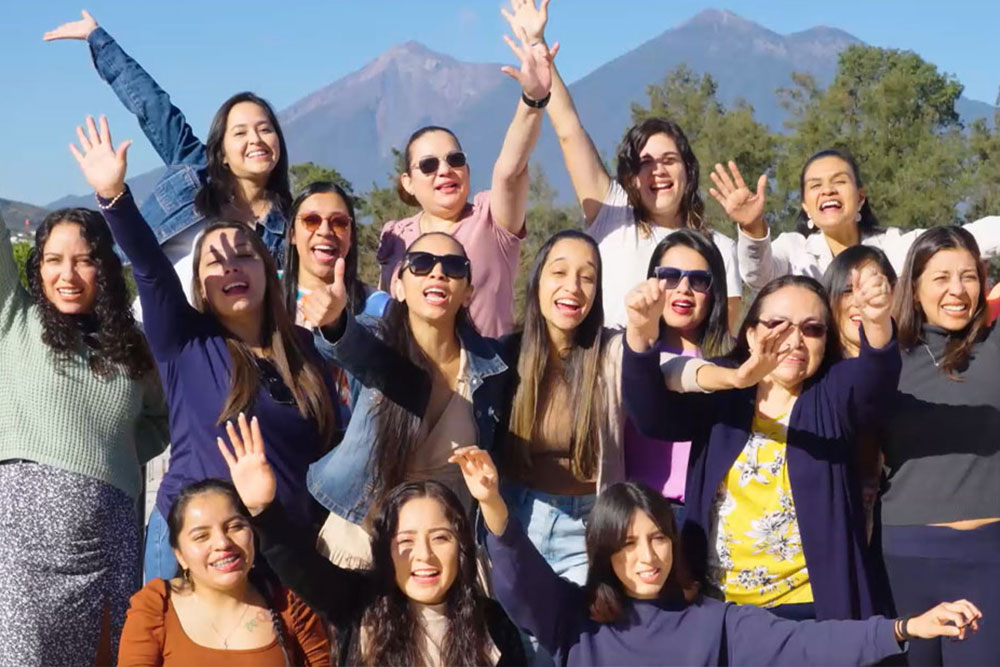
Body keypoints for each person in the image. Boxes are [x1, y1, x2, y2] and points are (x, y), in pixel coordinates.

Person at [70, 115, 337, 582]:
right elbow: (151, 269)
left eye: (243, 254)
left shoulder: (304, 352)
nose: (230, 266)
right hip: (190, 551)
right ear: (199, 286)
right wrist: (115, 198)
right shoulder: (185, 343)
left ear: (268, 270)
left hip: (285, 558)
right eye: (214, 261)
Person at [452, 445, 982, 666]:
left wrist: (904, 629)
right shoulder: (573, 617)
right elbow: (520, 583)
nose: (647, 557)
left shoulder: (712, 622)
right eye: (628, 543)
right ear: (604, 554)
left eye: (658, 538)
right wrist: (493, 503)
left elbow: (806, 643)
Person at [623, 268, 900, 621]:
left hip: (809, 612)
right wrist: (639, 332)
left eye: (811, 329)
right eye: (779, 325)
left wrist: (876, 324)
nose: (795, 340)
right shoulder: (724, 393)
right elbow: (651, 414)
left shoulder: (833, 391)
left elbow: (875, 384)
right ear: (752, 334)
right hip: (718, 609)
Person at [500, 0, 743, 330]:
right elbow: (569, 130)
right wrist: (535, 42)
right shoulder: (611, 211)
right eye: (645, 163)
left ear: (689, 170)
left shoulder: (720, 249)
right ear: (630, 176)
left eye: (669, 160)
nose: (657, 170)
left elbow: (724, 340)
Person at [0, 207, 169, 664]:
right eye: (53, 260)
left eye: (84, 259)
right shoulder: (15, 319)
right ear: (37, 268)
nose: (67, 274)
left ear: (106, 268)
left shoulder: (132, 345)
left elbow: (161, 419)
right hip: (20, 550)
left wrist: (111, 458)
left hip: (110, 543)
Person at [217, 416, 525, 666]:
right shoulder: (361, 603)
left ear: (461, 547)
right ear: (385, 550)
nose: (424, 556)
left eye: (440, 538)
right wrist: (264, 511)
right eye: (406, 541)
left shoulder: (493, 626)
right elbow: (300, 568)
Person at [45, 10, 292, 314]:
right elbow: (153, 106)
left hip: (222, 350)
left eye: (265, 129)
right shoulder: (194, 171)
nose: (255, 139)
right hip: (150, 332)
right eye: (240, 132)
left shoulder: (289, 227)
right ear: (222, 150)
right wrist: (98, 39)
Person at [307, 232, 512, 568]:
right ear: (398, 287)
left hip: (442, 560)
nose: (437, 273)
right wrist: (334, 322)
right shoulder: (378, 339)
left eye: (454, 267)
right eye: (421, 264)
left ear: (467, 294)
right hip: (363, 548)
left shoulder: (492, 369)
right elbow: (353, 347)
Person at [376, 2, 556, 338]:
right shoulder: (395, 235)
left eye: (454, 160)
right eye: (428, 165)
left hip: (487, 383)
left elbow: (510, 169)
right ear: (408, 182)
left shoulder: (491, 218)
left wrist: (532, 100)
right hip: (414, 384)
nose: (444, 170)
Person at [881, 226, 1000, 665]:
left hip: (989, 557)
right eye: (941, 277)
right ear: (913, 288)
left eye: (968, 277)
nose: (957, 290)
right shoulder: (885, 356)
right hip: (905, 558)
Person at [500, 229, 625, 588]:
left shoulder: (610, 354)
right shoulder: (503, 357)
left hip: (590, 526)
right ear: (537, 279)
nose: (573, 286)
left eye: (587, 277)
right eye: (559, 272)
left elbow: (664, 369)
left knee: (584, 640)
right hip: (518, 517)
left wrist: (729, 375)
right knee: (526, 643)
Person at [711, 149, 1000, 290]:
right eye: (815, 185)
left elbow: (970, 237)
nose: (828, 190)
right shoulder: (794, 250)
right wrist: (752, 226)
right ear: (806, 206)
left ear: (860, 196)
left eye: (839, 181)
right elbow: (757, 276)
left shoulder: (892, 247)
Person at [118, 474, 330, 666]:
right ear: (179, 555)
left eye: (235, 527)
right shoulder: (156, 605)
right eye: (201, 536)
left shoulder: (288, 604)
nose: (222, 543)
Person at [623, 229, 731, 511]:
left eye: (698, 280)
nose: (683, 288)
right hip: (634, 512)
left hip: (703, 519)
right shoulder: (627, 351)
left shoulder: (732, 362)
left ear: (714, 291)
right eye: (670, 276)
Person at [282, 181, 389, 430]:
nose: (325, 231)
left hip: (351, 450)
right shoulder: (264, 293)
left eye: (339, 222)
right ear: (292, 235)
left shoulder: (378, 307)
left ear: (351, 236)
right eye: (311, 220)